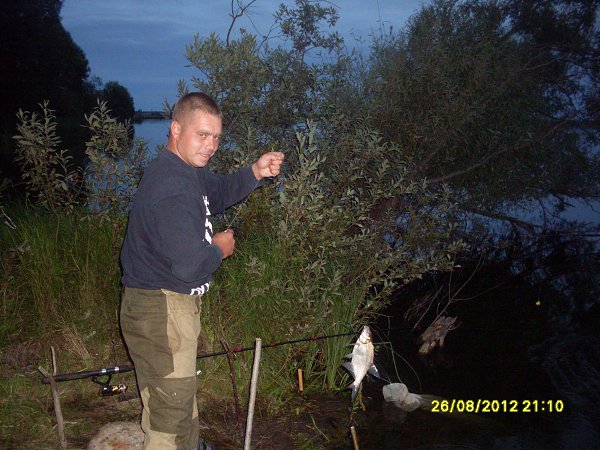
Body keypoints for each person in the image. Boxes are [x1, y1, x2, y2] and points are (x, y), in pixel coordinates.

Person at [119, 92, 284, 449]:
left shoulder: (184, 170)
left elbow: (218, 191)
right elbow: (190, 265)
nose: (211, 146)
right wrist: (219, 249)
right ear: (176, 129)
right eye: (202, 134)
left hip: (164, 307)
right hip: (162, 309)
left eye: (216, 137)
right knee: (168, 416)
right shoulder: (173, 187)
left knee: (180, 402)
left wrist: (256, 171)